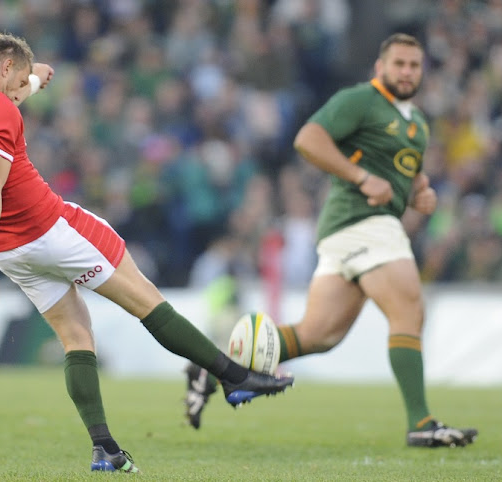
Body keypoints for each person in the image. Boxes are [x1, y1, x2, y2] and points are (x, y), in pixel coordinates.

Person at [0, 32, 294, 473]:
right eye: (19, 78)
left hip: (13, 251)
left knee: (76, 337)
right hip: (50, 229)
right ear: (6, 66)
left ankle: (105, 449)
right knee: (145, 299)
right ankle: (234, 377)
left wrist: (35, 78)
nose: (20, 90)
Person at [184, 33, 477, 448]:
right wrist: (361, 177)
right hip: (364, 223)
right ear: (380, 67)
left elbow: (402, 180)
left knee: (317, 335)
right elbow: (308, 139)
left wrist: (419, 193)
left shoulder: (417, 124)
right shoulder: (362, 99)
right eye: (399, 64)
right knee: (409, 309)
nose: (407, 72)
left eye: (414, 65)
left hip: (347, 232)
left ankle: (211, 370)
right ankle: (421, 422)